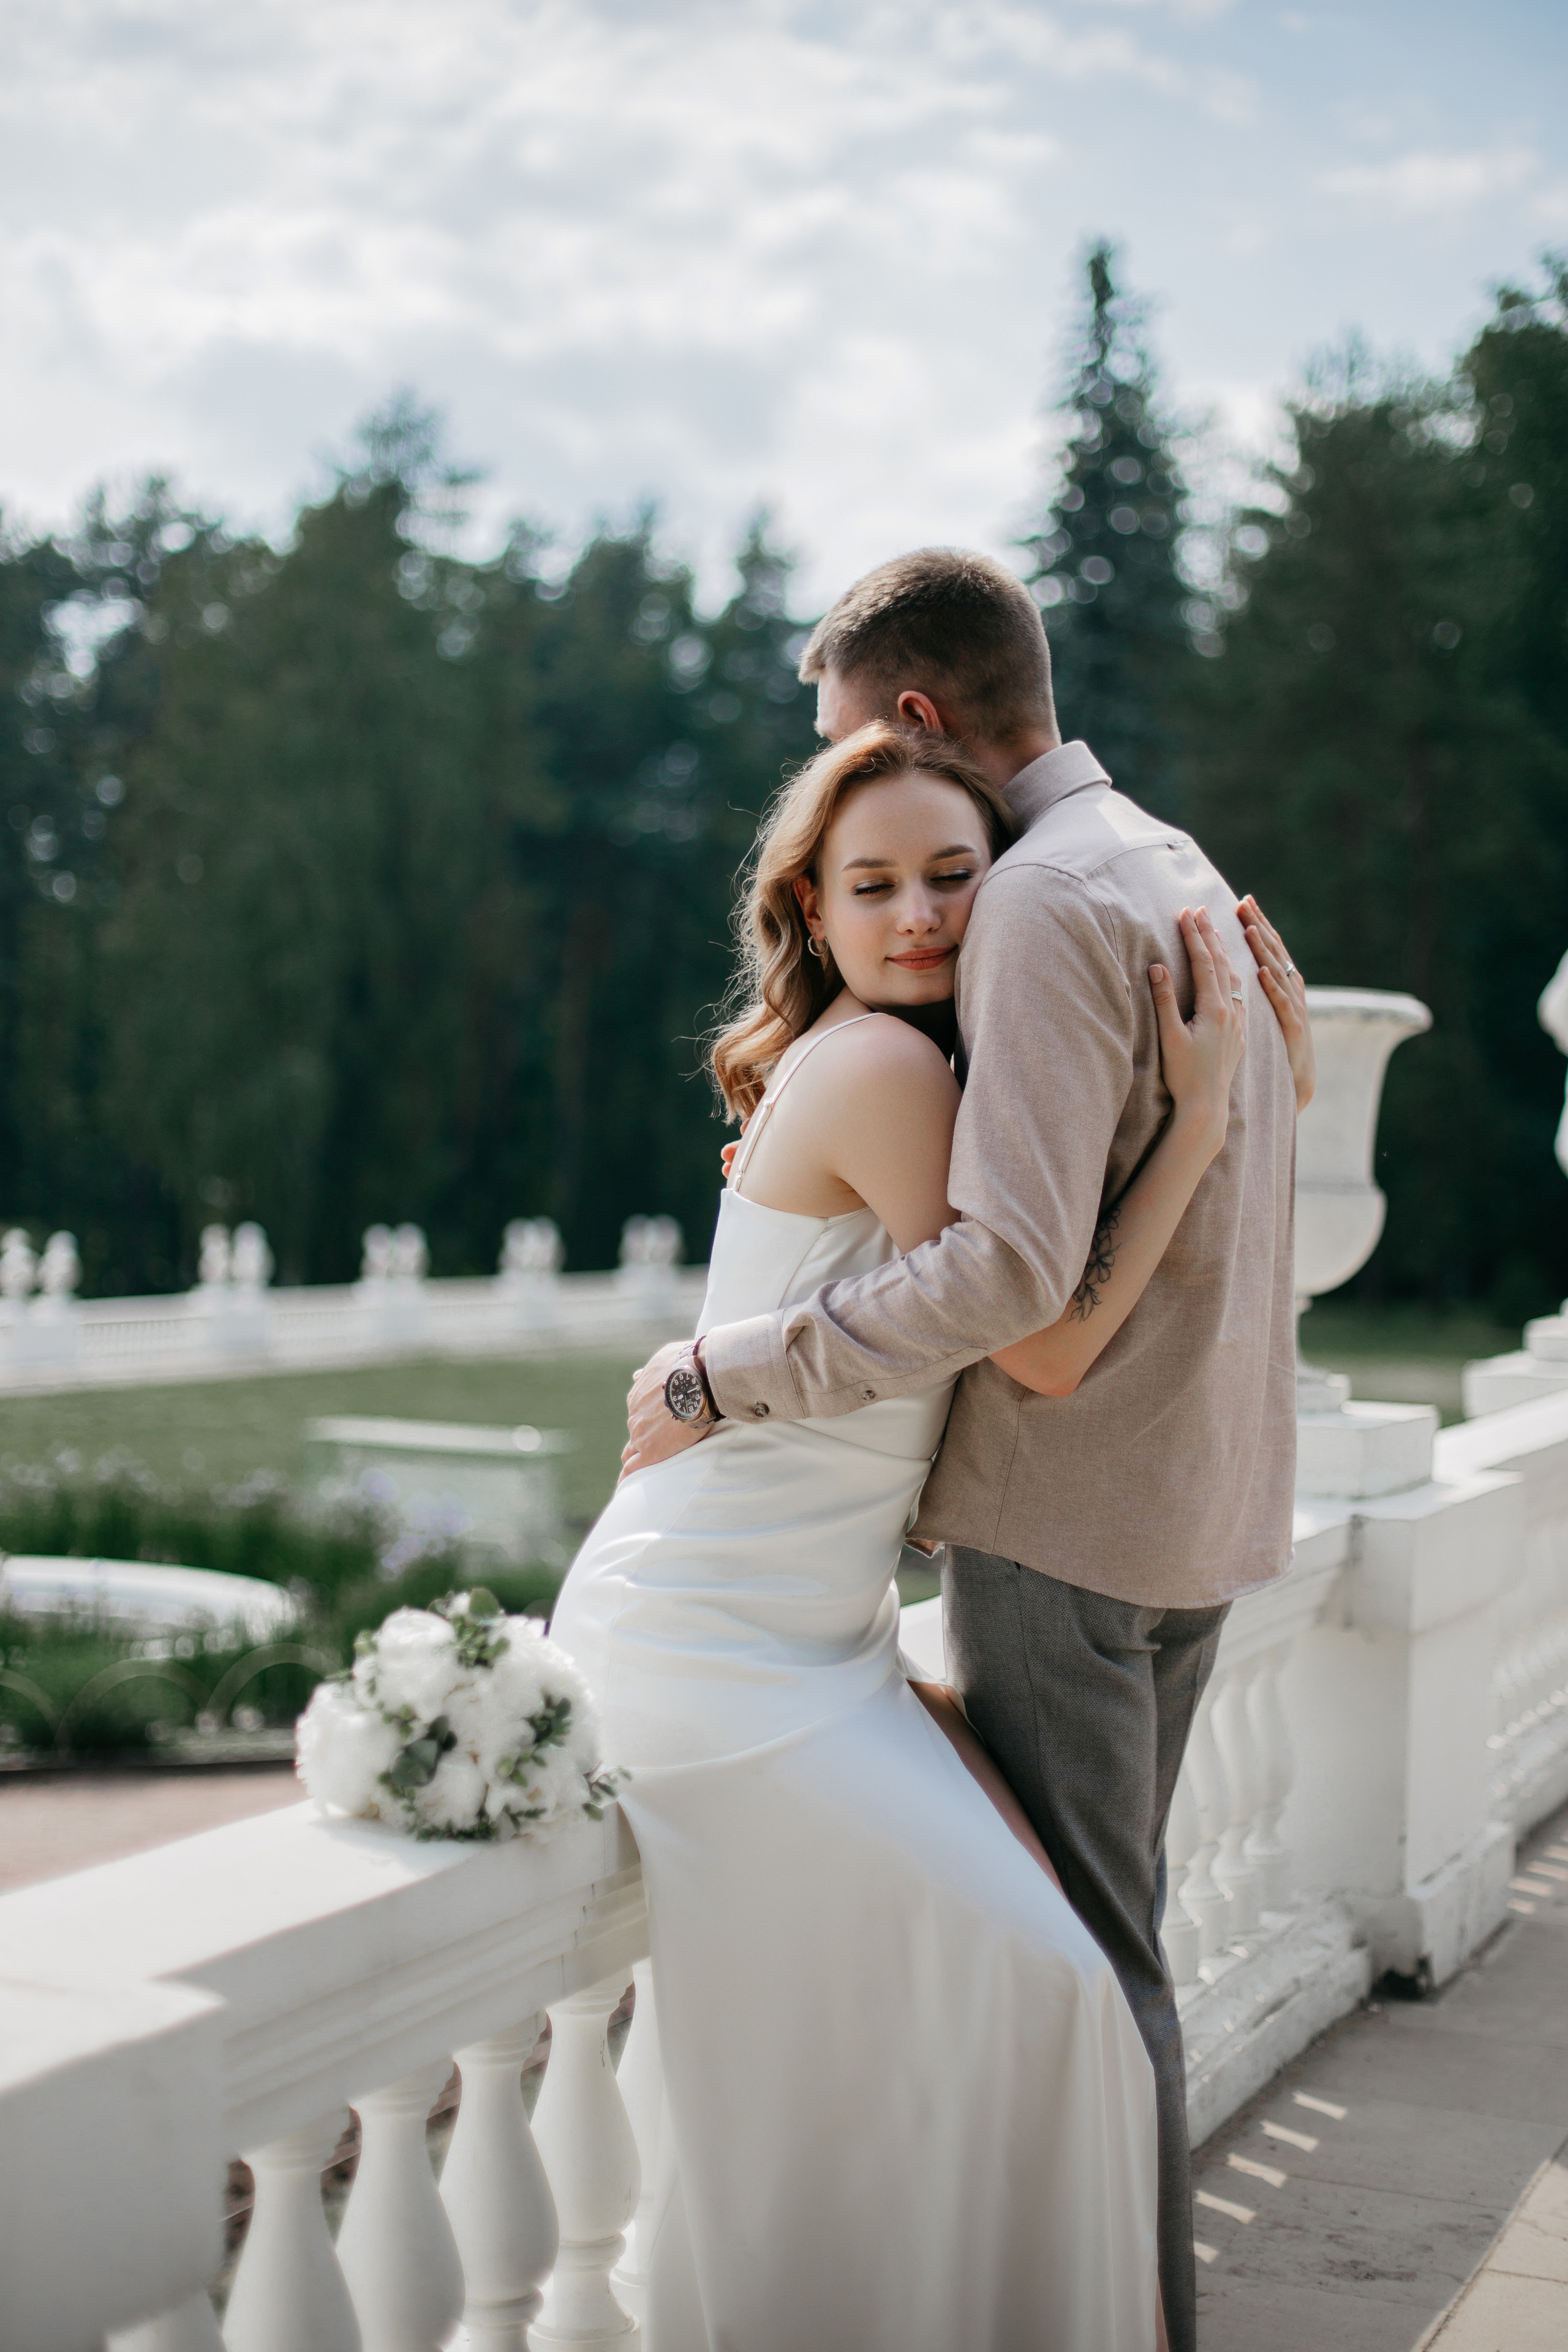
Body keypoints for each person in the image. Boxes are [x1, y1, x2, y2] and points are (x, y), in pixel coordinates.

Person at [621, 550, 1310, 2352]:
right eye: (869, 875)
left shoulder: (1032, 905)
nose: (918, 898)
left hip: (1065, 1533)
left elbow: (1012, 1285)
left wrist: (730, 1369)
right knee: (1076, 1959)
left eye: (851, 740)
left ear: (916, 718)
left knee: (1090, 1976)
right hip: (1179, 1520)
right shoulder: (1166, 870)